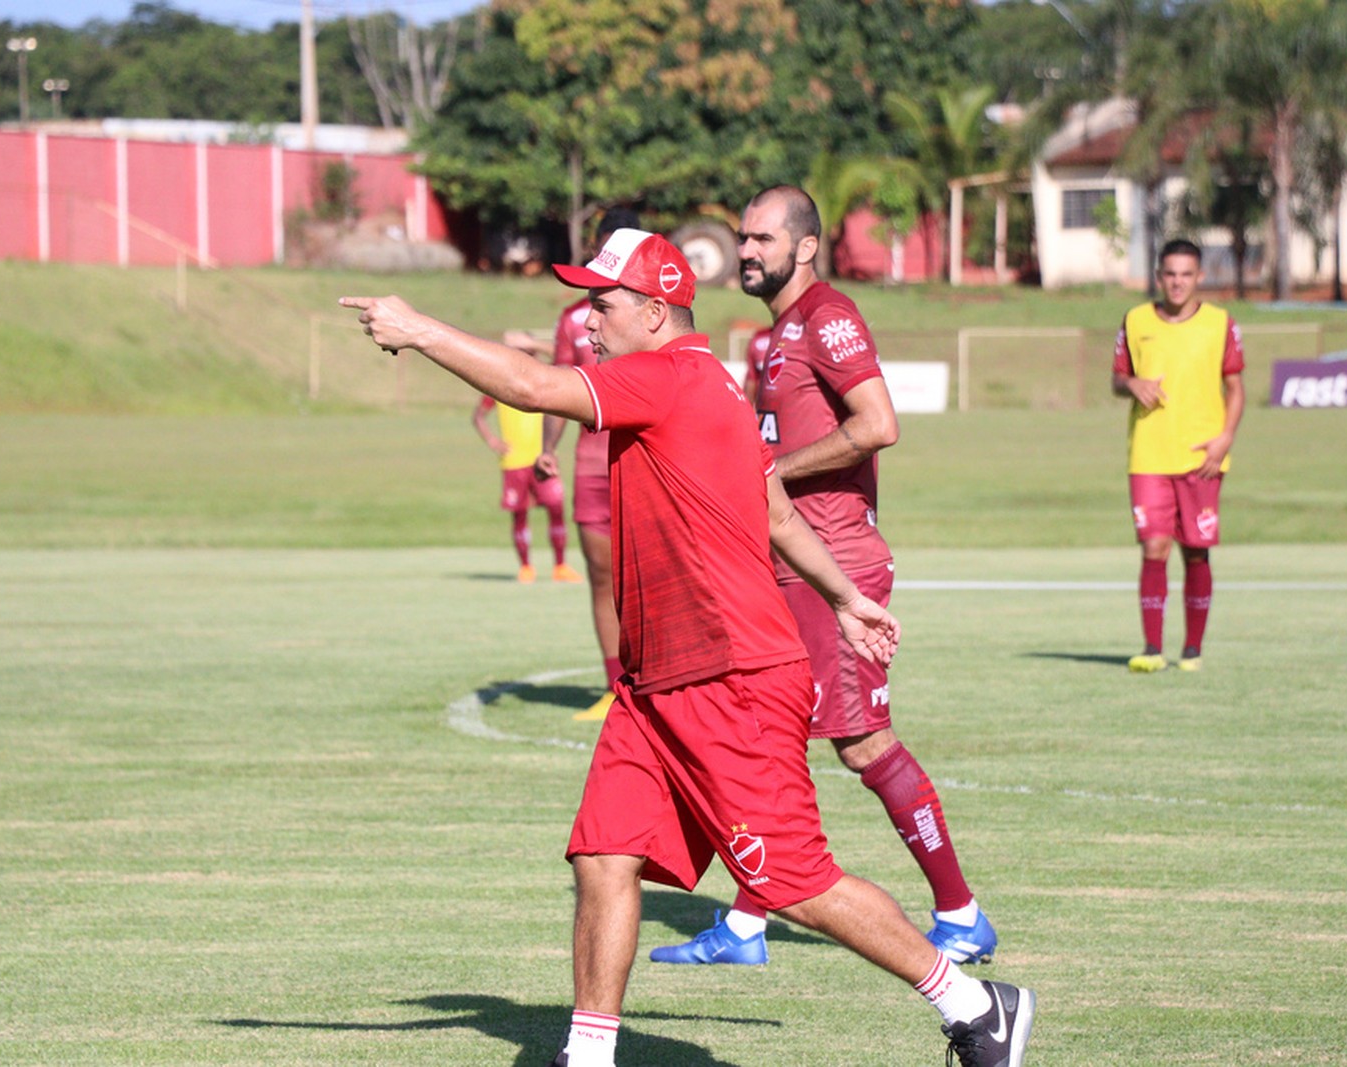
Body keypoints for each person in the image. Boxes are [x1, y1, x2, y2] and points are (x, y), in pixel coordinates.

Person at [341, 228, 1035, 1067]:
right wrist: (845, 597)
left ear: (657, 310)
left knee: (797, 884)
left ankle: (974, 1002)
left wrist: (420, 330)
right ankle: (589, 1055)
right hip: (656, 685)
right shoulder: (709, 381)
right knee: (603, 855)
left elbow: (530, 385)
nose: (587, 318)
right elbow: (774, 512)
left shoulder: (669, 377)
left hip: (731, 678)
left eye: (601, 303)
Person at [651, 185, 996, 970]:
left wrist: (767, 468)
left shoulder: (830, 317)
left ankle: (961, 912)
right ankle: (744, 926)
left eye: (762, 239)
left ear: (805, 246)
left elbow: (878, 426)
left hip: (834, 561)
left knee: (864, 742)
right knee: (765, 736)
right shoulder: (771, 335)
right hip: (787, 563)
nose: (745, 250)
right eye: (741, 237)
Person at [515, 208, 642, 721]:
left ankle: (656, 683)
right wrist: (548, 447)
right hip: (591, 466)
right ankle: (616, 688)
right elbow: (559, 388)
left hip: (640, 463)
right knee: (600, 577)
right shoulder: (575, 318)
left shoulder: (652, 313)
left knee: (648, 577)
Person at [1111, 237, 1246, 673]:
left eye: (1186, 274)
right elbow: (1118, 378)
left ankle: (1192, 649)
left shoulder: (1220, 323)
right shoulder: (1135, 320)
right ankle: (1152, 649)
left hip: (1201, 456)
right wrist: (1134, 385)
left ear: (1200, 277)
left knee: (1195, 552)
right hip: (1149, 455)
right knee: (1154, 547)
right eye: (1170, 274)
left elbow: (1236, 388)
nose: (1177, 282)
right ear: (1158, 276)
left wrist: (1225, 437)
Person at [470, 386, 579, 585]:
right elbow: (478, 416)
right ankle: (526, 567)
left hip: (542, 457)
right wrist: (493, 441)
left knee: (556, 507)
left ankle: (560, 566)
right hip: (514, 462)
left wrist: (550, 446)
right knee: (520, 513)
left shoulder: (542, 380)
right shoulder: (500, 383)